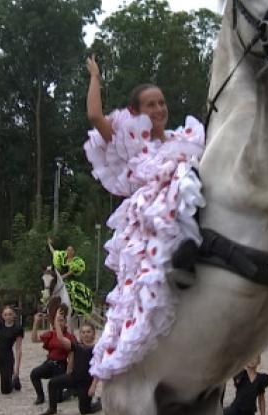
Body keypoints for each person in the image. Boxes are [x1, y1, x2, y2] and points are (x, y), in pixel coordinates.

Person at [83, 54, 206, 381]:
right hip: (151, 213)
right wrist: (95, 77)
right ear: (135, 112)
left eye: (162, 102)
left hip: (186, 202)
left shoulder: (183, 139)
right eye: (151, 105)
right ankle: (180, 259)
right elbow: (95, 116)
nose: (160, 109)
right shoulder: (131, 140)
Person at [40, 321, 102, 415]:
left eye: (88, 332)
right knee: (52, 383)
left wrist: (93, 386)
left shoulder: (97, 349)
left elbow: (98, 369)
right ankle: (52, 409)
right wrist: (57, 321)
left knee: (85, 411)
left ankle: (99, 403)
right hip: (74, 377)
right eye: (83, 332)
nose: (86, 334)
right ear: (80, 334)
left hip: (86, 382)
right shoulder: (76, 346)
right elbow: (61, 338)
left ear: (94, 334)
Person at [29, 305, 76, 406]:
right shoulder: (51, 334)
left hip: (60, 366)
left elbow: (71, 356)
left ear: (65, 322)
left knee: (58, 399)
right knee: (34, 373)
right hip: (49, 363)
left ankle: (69, 391)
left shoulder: (69, 337)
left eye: (61, 320)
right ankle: (40, 397)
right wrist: (36, 322)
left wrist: (68, 373)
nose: (59, 323)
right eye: (57, 320)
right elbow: (34, 339)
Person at [46, 238, 94, 318]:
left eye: (71, 250)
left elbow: (69, 273)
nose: (69, 252)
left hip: (71, 281)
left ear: (73, 252)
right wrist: (49, 244)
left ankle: (75, 309)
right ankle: (48, 307)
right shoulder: (62, 258)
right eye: (68, 250)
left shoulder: (76, 262)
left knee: (72, 291)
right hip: (61, 281)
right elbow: (54, 252)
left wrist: (61, 277)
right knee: (50, 289)